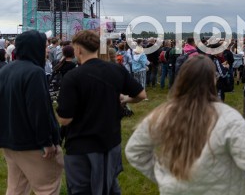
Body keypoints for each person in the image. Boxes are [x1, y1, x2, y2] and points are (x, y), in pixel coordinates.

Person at [125, 55, 245, 195]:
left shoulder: (164, 115)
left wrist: (164, 177)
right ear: (214, 81)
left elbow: (135, 151)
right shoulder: (229, 120)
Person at [56, 30, 146, 194]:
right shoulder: (116, 70)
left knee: (82, 190)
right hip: (111, 142)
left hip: (81, 147)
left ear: (79, 50)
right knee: (110, 185)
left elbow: (64, 120)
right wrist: (125, 99)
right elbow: (141, 95)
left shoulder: (72, 77)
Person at [0, 30, 64, 194]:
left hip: (10, 142)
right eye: (44, 47)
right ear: (34, 48)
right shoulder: (34, 73)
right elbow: (39, 111)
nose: (48, 50)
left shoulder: (6, 70)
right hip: (33, 144)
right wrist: (46, 142)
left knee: (16, 189)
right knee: (47, 188)